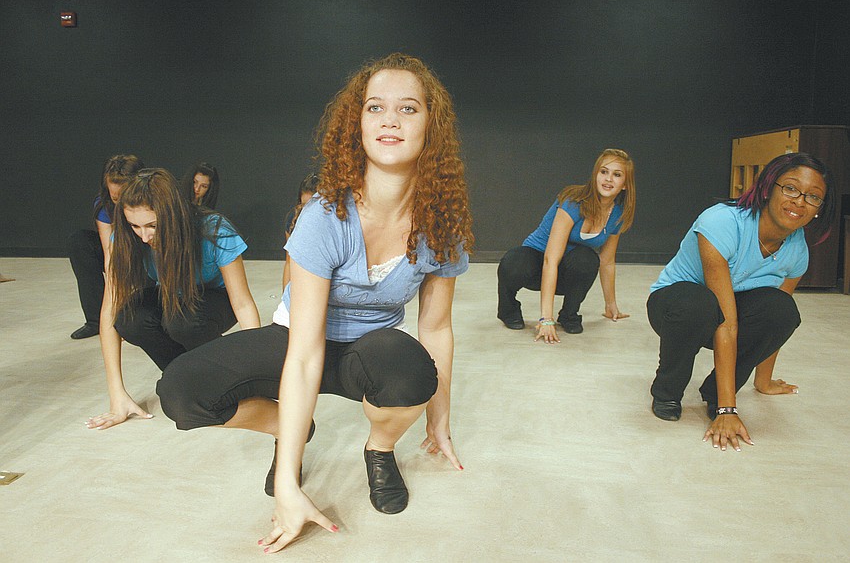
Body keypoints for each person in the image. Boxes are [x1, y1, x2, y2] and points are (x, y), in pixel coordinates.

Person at [156, 53, 474, 552]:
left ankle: (380, 449)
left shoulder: (442, 226)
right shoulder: (326, 217)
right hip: (298, 339)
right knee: (182, 391)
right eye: (376, 107)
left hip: (369, 349)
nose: (390, 119)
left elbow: (436, 330)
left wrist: (440, 422)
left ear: (431, 127)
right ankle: (294, 430)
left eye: (408, 109)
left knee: (413, 368)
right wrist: (288, 484)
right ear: (358, 124)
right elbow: (303, 354)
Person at [646, 152, 834, 452]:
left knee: (783, 310)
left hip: (725, 310)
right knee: (700, 305)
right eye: (790, 188)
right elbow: (726, 321)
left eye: (813, 197)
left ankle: (714, 391)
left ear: (818, 210)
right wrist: (728, 410)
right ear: (769, 187)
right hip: (676, 307)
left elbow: (774, 323)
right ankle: (667, 389)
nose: (800, 201)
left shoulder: (797, 252)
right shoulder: (722, 221)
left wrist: (764, 380)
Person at [86, 168, 260, 430]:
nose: (143, 236)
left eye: (153, 226)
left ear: (172, 216)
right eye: (135, 225)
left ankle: (219, 378)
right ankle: (185, 378)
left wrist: (255, 373)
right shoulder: (124, 238)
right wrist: (116, 394)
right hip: (172, 294)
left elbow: (243, 303)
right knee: (129, 316)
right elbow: (109, 312)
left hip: (215, 300)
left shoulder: (214, 229)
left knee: (181, 319)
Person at [497, 148, 636, 341]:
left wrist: (610, 304)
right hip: (539, 262)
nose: (608, 179)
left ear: (625, 185)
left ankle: (569, 314)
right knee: (514, 262)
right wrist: (546, 319)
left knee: (587, 259)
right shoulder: (574, 201)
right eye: (603, 172)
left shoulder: (617, 214)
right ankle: (508, 308)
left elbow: (607, 261)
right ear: (595, 174)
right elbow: (550, 259)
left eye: (617, 175)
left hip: (565, 271)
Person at [67, 154, 144, 339]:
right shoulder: (103, 205)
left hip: (147, 256)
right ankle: (96, 322)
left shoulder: (154, 201)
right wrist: (109, 315)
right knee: (80, 241)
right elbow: (110, 252)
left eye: (125, 195)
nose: (120, 201)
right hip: (123, 253)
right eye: (115, 197)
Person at [281, 172, 320, 290]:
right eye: (304, 206)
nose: (308, 212)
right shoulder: (293, 219)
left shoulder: (339, 224)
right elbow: (289, 261)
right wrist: (285, 301)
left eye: (314, 206)